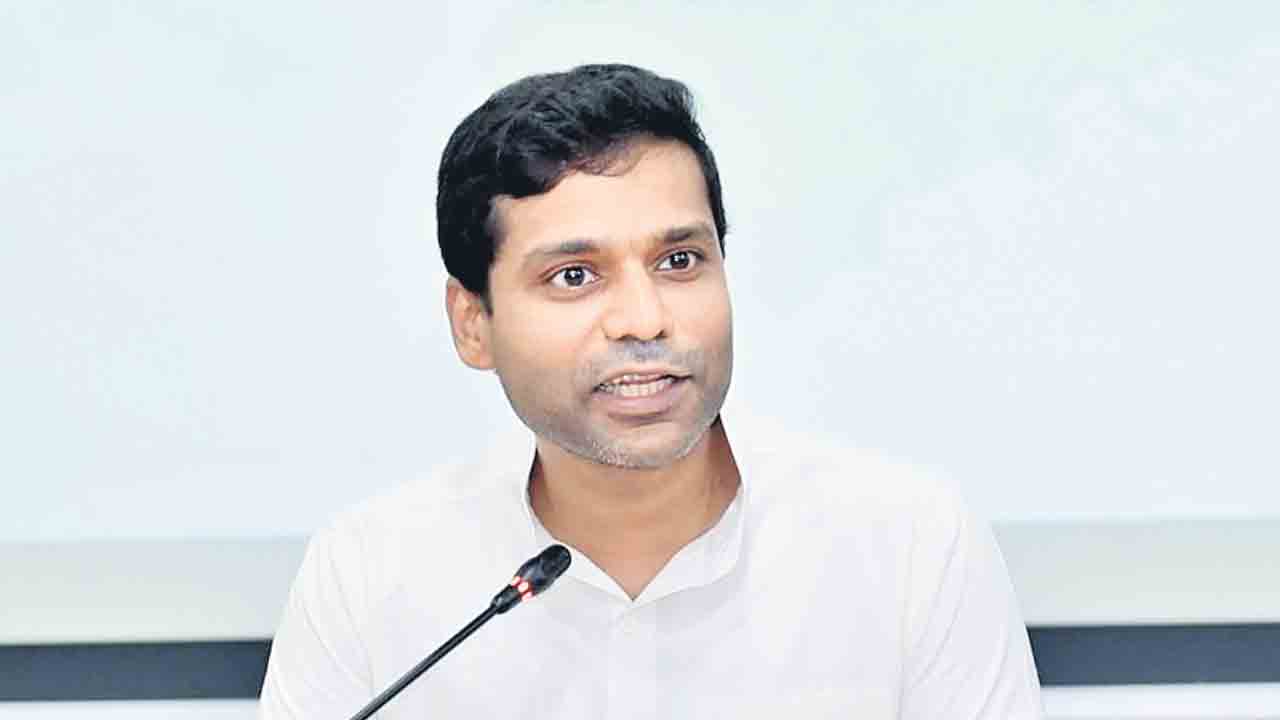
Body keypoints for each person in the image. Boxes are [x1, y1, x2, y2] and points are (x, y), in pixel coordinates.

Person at [259, 63, 1043, 719]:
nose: (644, 318)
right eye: (575, 276)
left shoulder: (910, 545)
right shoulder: (370, 574)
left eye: (679, 262)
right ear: (473, 325)